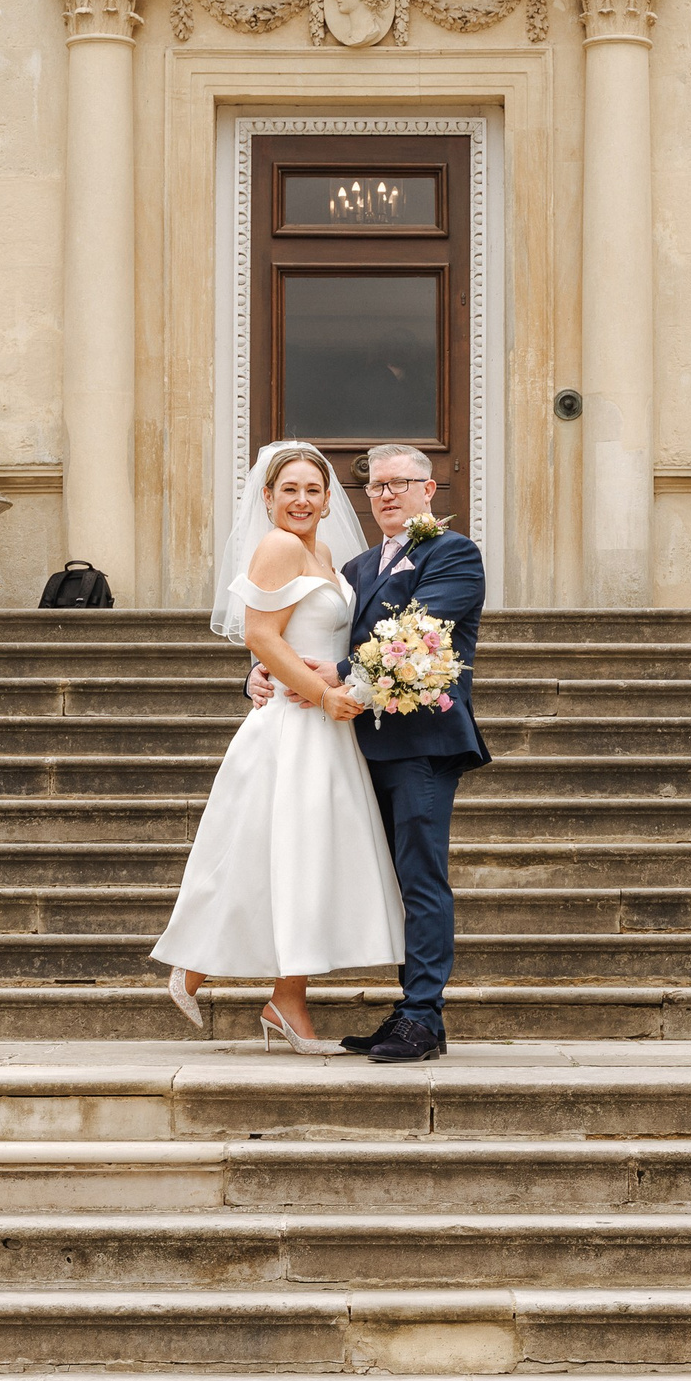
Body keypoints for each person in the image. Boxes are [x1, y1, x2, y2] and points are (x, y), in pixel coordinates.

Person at [150, 445, 404, 1055]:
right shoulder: (280, 547)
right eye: (288, 490)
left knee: (304, 861)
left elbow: (297, 635)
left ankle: (285, 999)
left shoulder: (325, 554)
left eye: (313, 490)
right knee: (270, 852)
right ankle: (196, 962)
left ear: (327, 497)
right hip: (293, 728)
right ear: (267, 498)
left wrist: (341, 686)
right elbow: (261, 635)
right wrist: (319, 694)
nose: (302, 501)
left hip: (324, 727)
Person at [249, 443, 489, 1063]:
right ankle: (404, 1010)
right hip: (354, 746)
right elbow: (298, 626)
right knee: (381, 879)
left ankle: (422, 1017)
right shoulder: (352, 567)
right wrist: (261, 674)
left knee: (420, 877)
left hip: (421, 743)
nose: (386, 494)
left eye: (400, 484)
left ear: (428, 491)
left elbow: (422, 635)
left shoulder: (453, 553)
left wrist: (337, 672)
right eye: (376, 486)